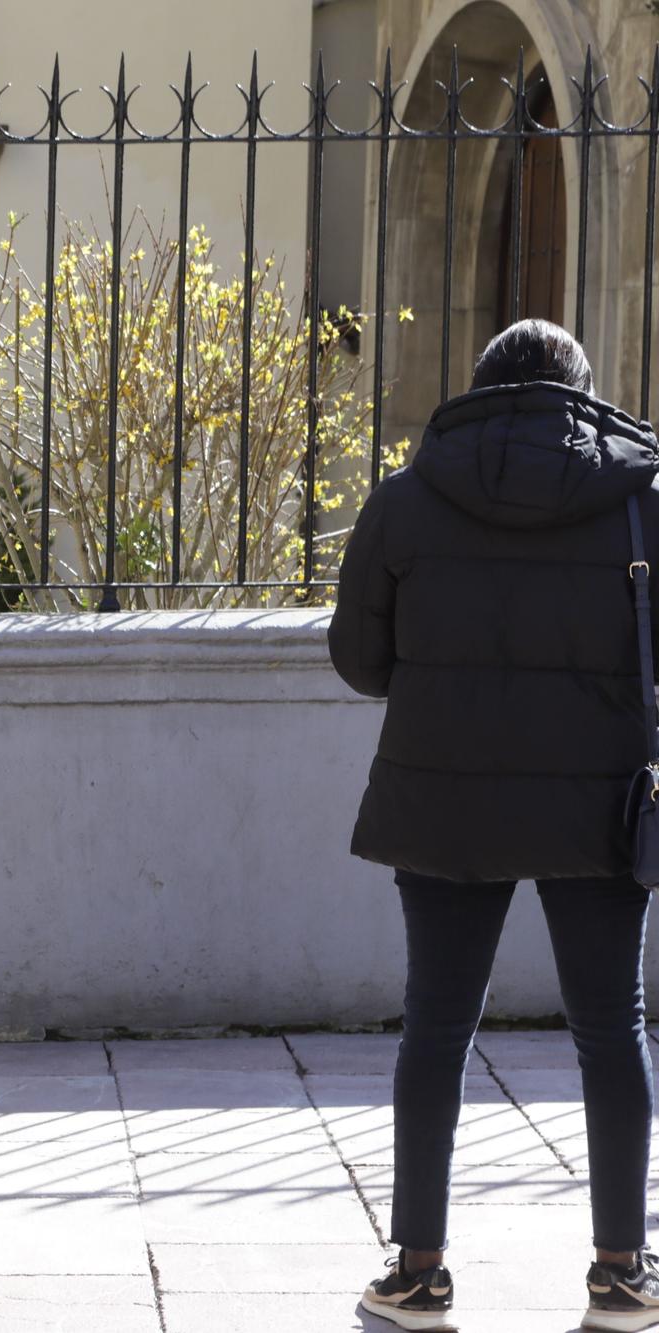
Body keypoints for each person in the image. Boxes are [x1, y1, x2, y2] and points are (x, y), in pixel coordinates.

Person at [331, 319, 659, 1332]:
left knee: (435, 1026)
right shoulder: (639, 500)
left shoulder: (404, 497)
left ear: (478, 389)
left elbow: (356, 658)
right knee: (611, 1029)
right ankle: (620, 1274)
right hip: (600, 802)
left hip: (444, 794)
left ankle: (416, 1273)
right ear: (578, 392)